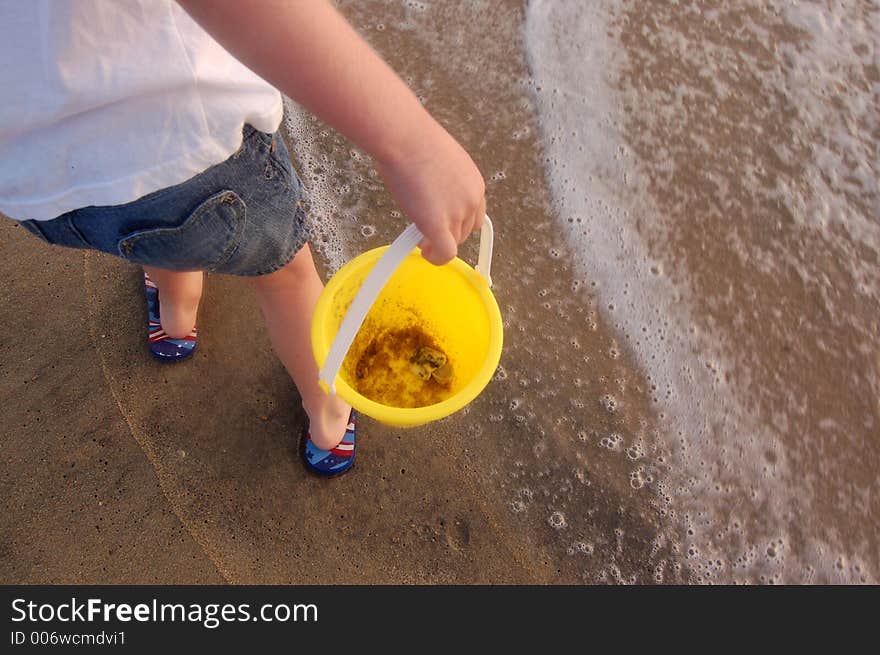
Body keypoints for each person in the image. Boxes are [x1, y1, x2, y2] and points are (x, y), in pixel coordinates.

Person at [0, 0, 486, 476]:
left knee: (146, 225)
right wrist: (411, 144)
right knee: (284, 278)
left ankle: (176, 314)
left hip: (34, 185)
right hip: (192, 146)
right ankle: (329, 415)